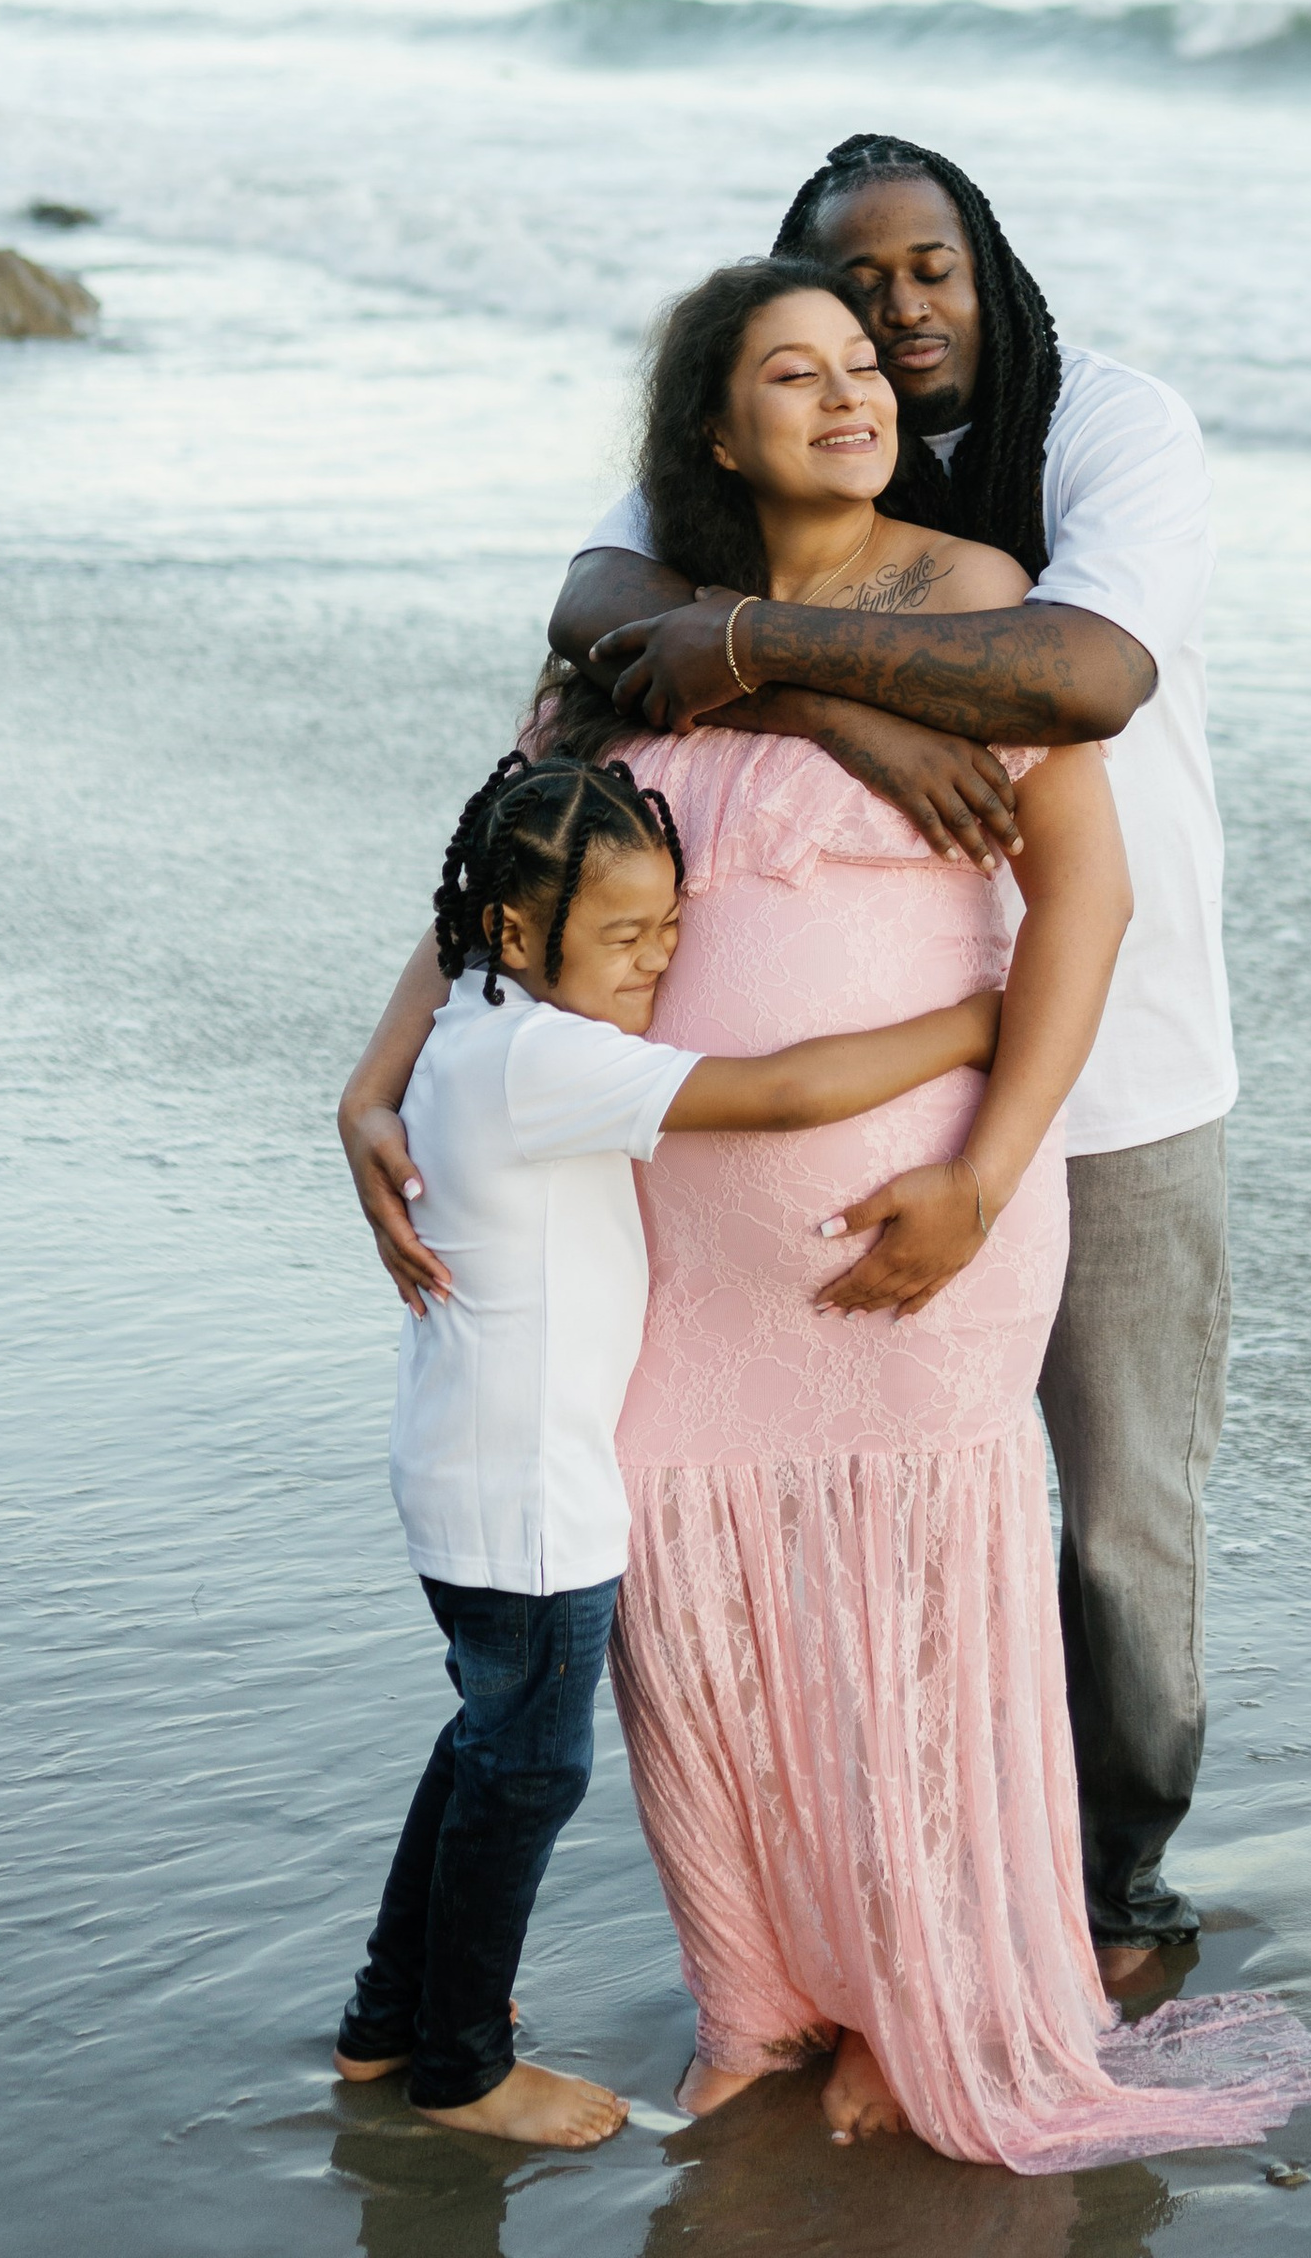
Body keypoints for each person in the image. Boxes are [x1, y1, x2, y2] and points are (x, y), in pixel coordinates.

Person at [555, 134, 1237, 1981]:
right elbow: (599, 619)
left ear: (990, 267)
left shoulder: (1107, 424)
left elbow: (1080, 674)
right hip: (844, 1113)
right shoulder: (789, 427)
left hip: (1124, 1060)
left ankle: (1111, 1881)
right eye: (856, 289)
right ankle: (890, 1893)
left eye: (933, 270)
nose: (898, 315)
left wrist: (754, 645)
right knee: (894, 1533)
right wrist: (829, 695)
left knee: (1113, 1514)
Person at [329, 739, 1007, 2146]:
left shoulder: (476, 1015)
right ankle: (462, 2067)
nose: (653, 966)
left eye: (670, 933)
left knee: (485, 1746)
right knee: (530, 1770)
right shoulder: (539, 1058)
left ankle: (388, 2021)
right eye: (624, 937)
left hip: (471, 1472)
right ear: (517, 934)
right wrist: (971, 1027)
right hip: (527, 1497)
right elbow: (787, 1092)